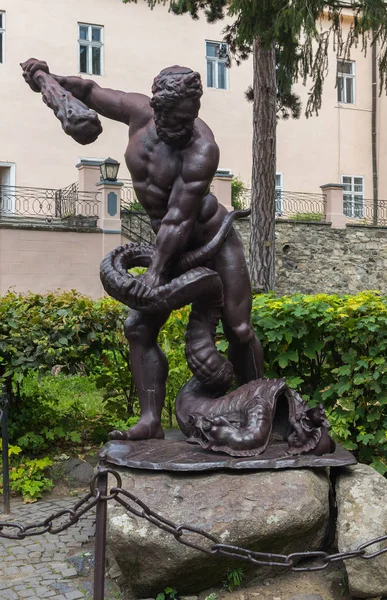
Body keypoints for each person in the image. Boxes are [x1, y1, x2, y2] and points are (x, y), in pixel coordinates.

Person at [22, 59, 264, 440]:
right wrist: (49, 79)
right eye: (178, 118)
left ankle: (261, 406)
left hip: (211, 241)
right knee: (138, 328)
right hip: (168, 247)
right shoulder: (137, 113)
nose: (186, 126)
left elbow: (178, 220)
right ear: (157, 108)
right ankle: (150, 421)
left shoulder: (202, 149)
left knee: (239, 327)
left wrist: (154, 274)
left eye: (191, 117)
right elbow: (87, 92)